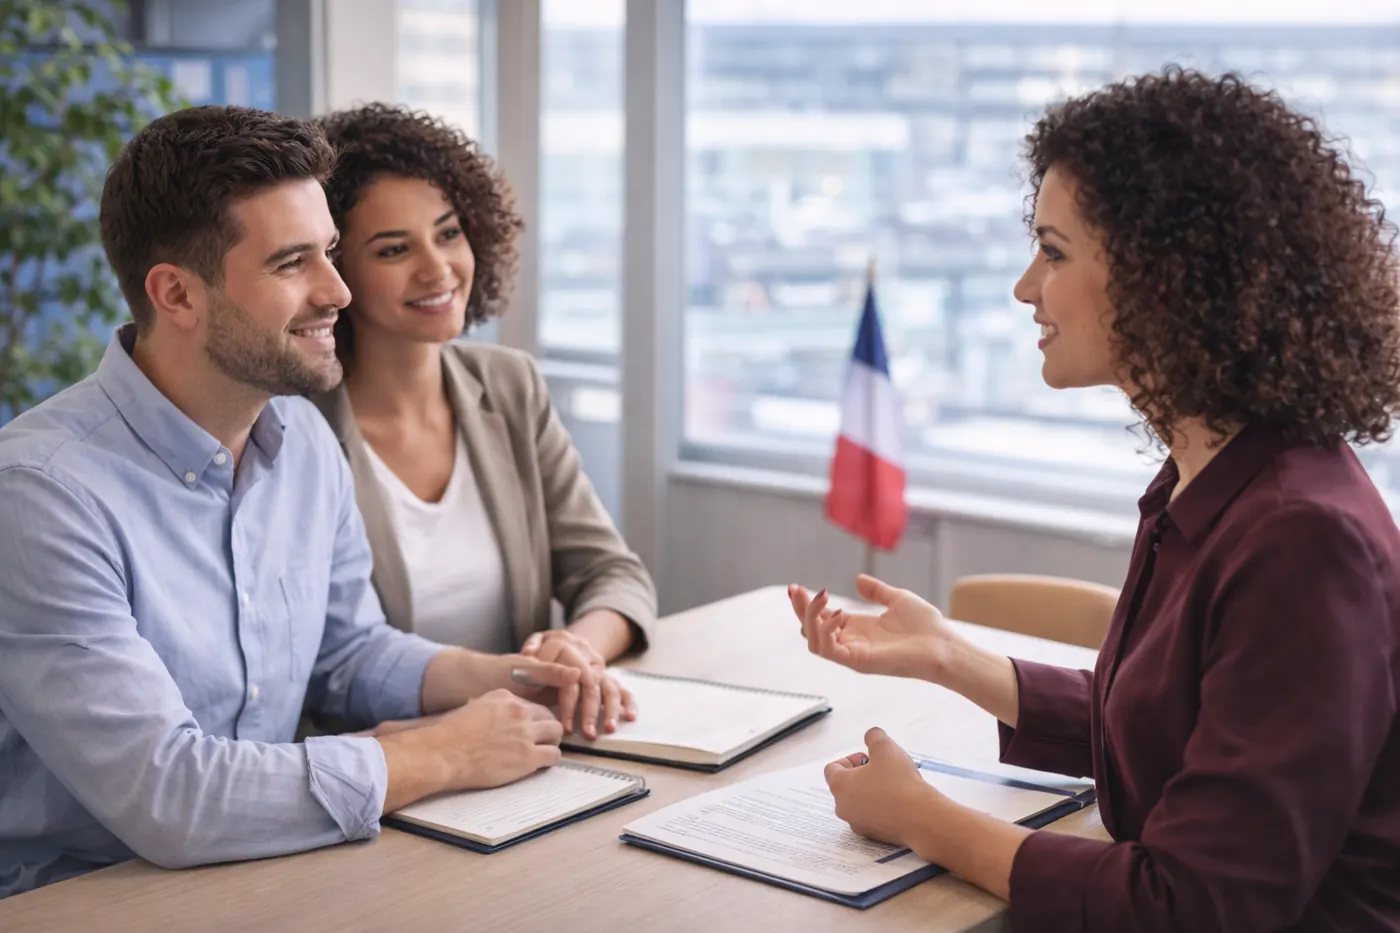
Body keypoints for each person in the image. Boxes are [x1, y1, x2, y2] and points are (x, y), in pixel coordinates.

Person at [790, 68, 1400, 932]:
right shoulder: (1214, 474)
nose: (1025, 286)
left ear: (1163, 275)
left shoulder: (1301, 538)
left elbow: (1194, 902)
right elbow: (1180, 727)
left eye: (1055, 250)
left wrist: (922, 818)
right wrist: (950, 658)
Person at [0, 105, 588, 899]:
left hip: (272, 869)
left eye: (332, 254)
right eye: (291, 264)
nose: (338, 291)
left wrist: (512, 678)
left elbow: (346, 654)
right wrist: (441, 753)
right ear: (176, 293)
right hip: (85, 897)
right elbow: (170, 795)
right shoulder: (41, 496)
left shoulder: (303, 441)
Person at [308, 103, 656, 740]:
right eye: (393, 249)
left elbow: (612, 572)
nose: (437, 269)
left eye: (448, 234)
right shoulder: (294, 428)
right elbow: (321, 666)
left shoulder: (509, 386)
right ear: (335, 271)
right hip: (388, 765)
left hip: (527, 745)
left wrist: (574, 652)